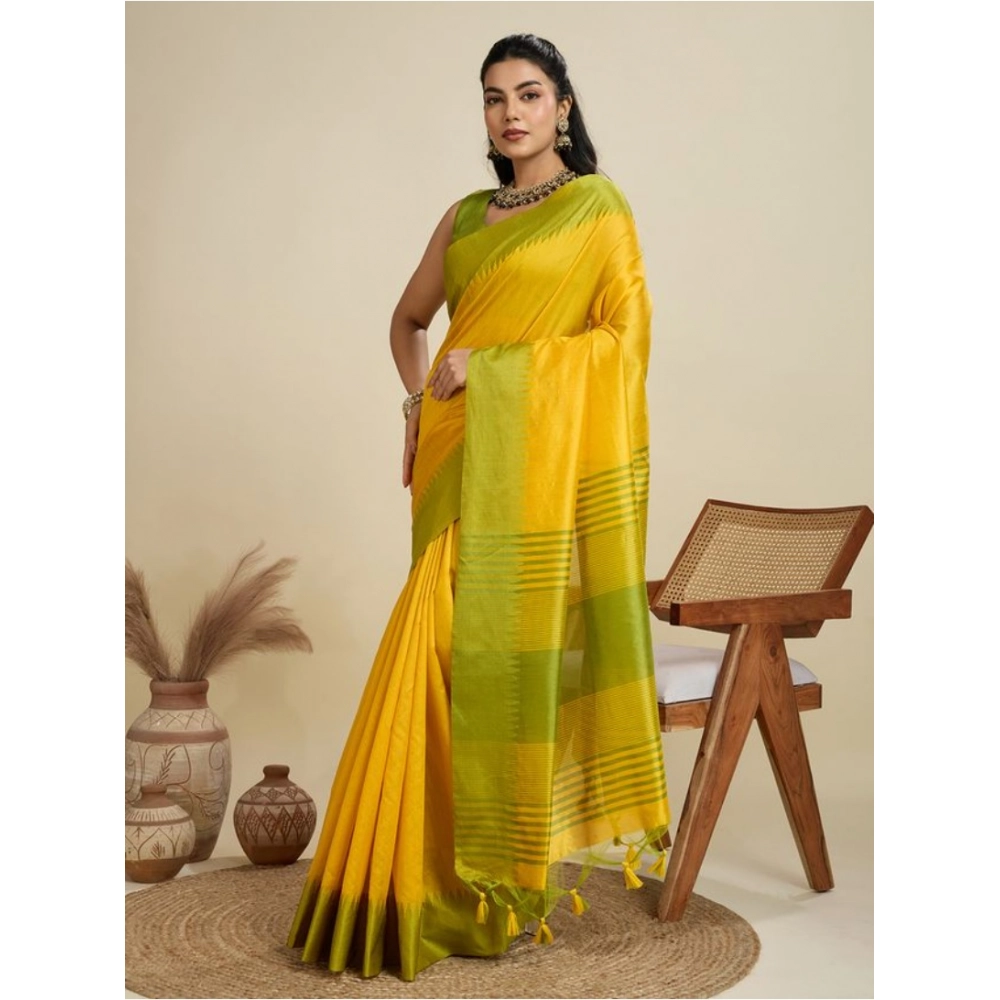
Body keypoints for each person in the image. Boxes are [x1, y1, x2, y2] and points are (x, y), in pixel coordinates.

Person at [288, 33, 670, 982]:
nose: (511, 113)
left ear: (563, 107)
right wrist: (419, 402)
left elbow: (623, 345)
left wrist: (491, 368)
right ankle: (403, 885)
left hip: (528, 466)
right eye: (495, 98)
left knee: (490, 664)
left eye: (529, 94)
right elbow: (406, 321)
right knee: (440, 659)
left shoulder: (599, 209)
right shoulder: (463, 217)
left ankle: (477, 888)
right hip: (457, 458)